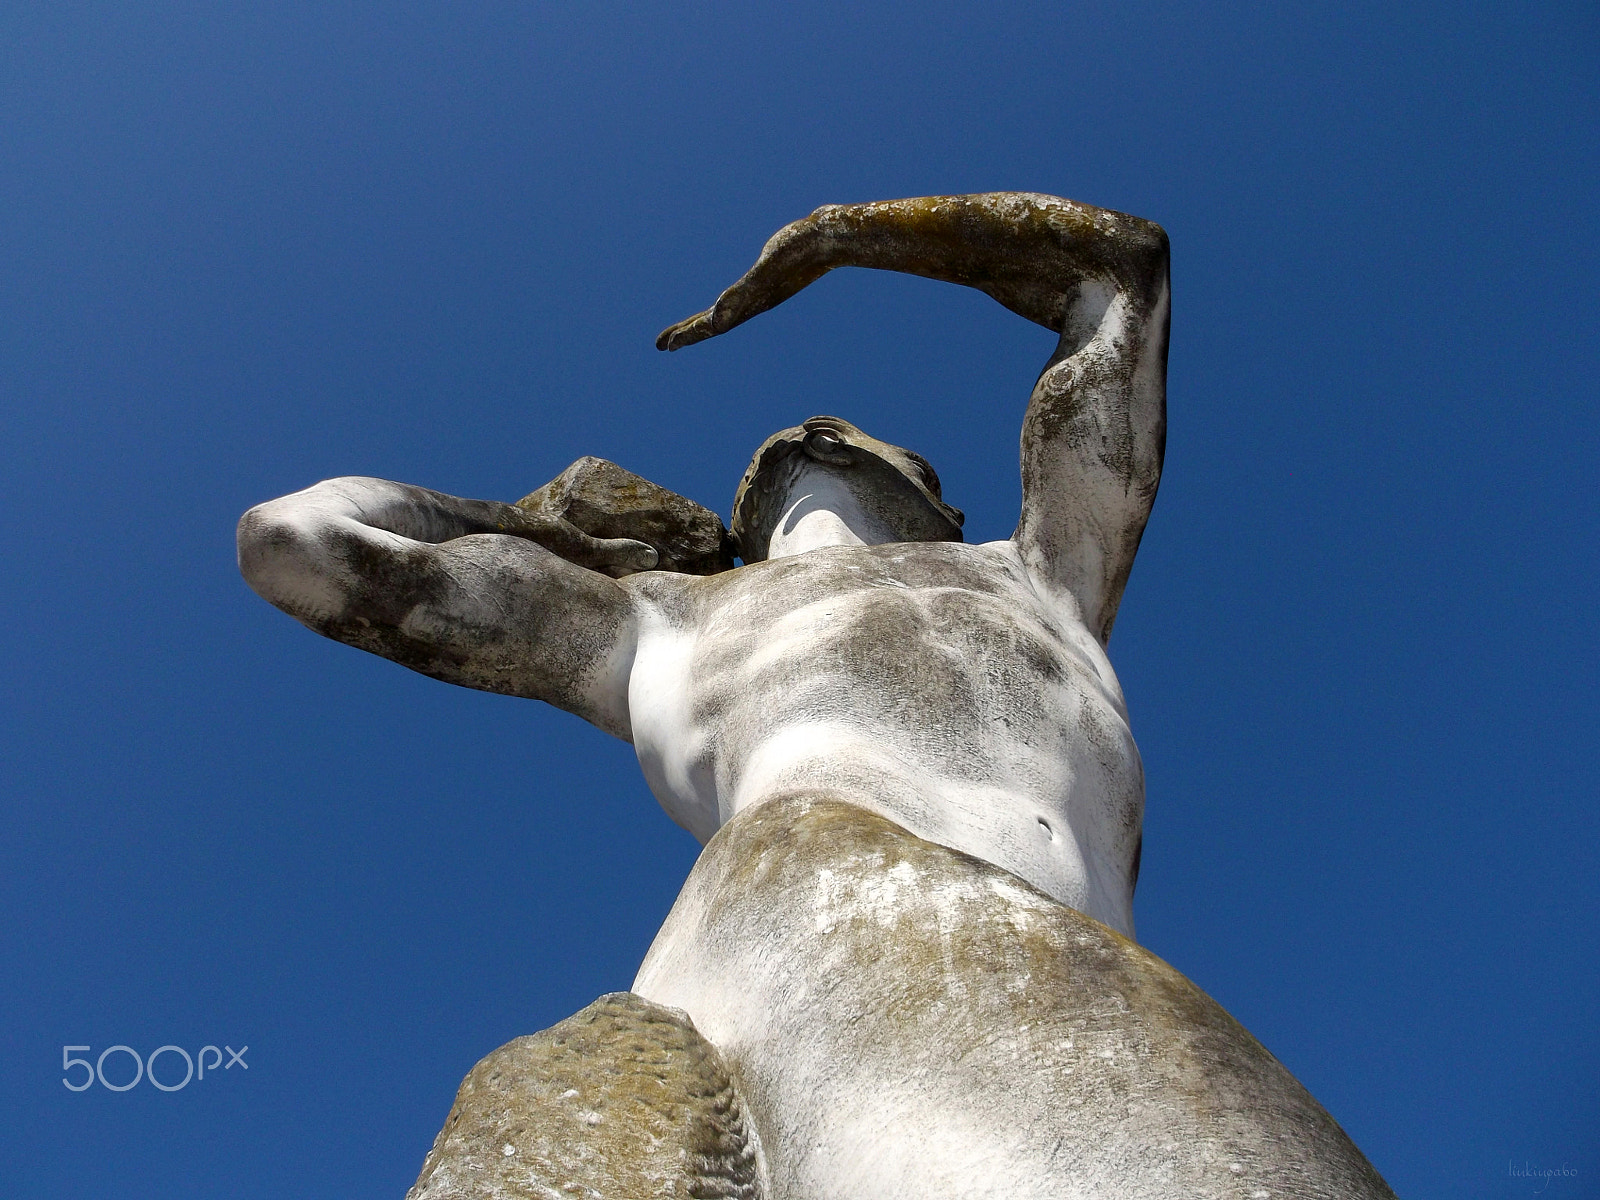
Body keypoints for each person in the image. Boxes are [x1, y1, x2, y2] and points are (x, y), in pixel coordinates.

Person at [236, 192, 1169, 939]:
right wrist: (523, 524)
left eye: (844, 440)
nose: (809, 439)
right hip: (748, 966)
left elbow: (1120, 267)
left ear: (938, 509)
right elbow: (297, 544)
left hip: (1052, 957)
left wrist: (833, 236)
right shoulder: (657, 615)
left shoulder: (1042, 572)